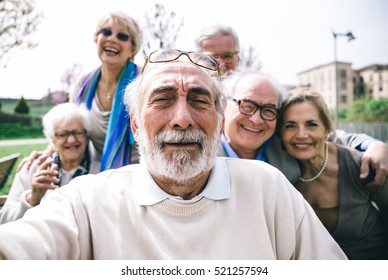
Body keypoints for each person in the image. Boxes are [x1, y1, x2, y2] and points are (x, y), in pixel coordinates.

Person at [0, 49, 346, 260]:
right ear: (135, 124)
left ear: (218, 118)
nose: (182, 119)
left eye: (198, 100)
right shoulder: (85, 201)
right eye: (163, 99)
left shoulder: (268, 189)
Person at [219, 69, 388, 188]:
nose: (256, 119)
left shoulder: (280, 142)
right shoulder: (202, 153)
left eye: (269, 110)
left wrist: (373, 145)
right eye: (247, 106)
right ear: (224, 104)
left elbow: (329, 137)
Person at [18, 11, 143, 172]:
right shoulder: (84, 83)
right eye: (106, 32)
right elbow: (69, 125)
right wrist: (50, 150)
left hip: (141, 174)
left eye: (122, 36)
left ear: (133, 48)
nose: (112, 39)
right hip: (99, 173)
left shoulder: (143, 80)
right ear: (96, 38)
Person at [278, 88, 388, 260]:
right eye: (290, 125)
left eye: (311, 124)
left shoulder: (360, 165)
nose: (301, 134)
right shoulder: (279, 172)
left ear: (326, 128)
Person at [0, 103, 100, 224]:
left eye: (78, 132)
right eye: (63, 134)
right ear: (52, 139)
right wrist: (32, 199)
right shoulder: (32, 168)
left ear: (86, 135)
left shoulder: (100, 173)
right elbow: (4, 220)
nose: (72, 140)